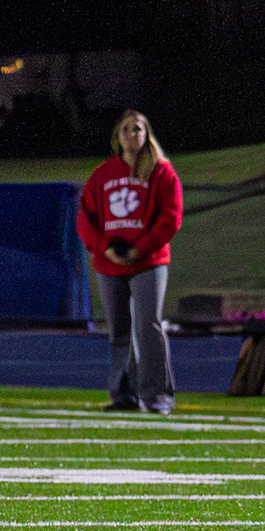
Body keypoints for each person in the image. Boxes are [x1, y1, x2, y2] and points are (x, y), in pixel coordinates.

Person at [77, 110, 182, 414]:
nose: (131, 135)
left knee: (149, 327)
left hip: (148, 262)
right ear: (117, 137)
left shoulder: (161, 171)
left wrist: (141, 248)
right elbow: (85, 218)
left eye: (137, 129)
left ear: (146, 135)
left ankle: (158, 396)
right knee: (119, 331)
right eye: (125, 130)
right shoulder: (103, 174)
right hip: (110, 263)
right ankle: (124, 395)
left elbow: (171, 217)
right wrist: (103, 248)